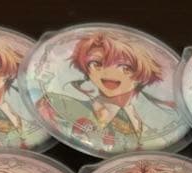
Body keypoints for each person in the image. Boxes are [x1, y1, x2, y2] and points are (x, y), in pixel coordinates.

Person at [35, 32, 174, 152]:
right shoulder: (60, 106)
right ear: (86, 70)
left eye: (124, 67)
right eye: (96, 64)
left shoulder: (155, 127)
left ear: (143, 75)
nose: (108, 73)